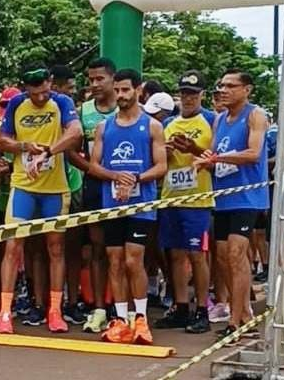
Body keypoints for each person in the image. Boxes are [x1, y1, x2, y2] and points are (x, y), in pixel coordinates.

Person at [0, 64, 82, 335]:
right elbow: (2, 139)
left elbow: (76, 132)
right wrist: (24, 146)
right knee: (13, 247)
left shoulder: (62, 102)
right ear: (26, 88)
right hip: (23, 186)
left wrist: (49, 152)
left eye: (45, 91)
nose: (41, 98)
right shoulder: (18, 104)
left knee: (55, 248)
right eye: (35, 94)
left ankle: (54, 310)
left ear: (51, 83)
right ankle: (5, 312)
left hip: (55, 188)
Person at [88, 68, 167, 345]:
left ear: (138, 90)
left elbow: (161, 166)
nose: (121, 95)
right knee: (115, 261)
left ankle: (141, 319)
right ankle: (120, 320)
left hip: (141, 204)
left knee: (134, 259)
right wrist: (114, 176)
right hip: (112, 204)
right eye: (118, 90)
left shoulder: (152, 126)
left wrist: (136, 178)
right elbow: (94, 165)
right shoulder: (104, 127)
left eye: (126, 90)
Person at [195, 69, 269, 341]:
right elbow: (215, 156)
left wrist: (215, 160)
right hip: (223, 197)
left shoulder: (255, 115)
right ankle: (245, 314)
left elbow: (253, 153)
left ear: (246, 89)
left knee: (237, 256)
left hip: (247, 197)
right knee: (225, 258)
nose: (224, 90)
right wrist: (203, 160)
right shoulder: (219, 120)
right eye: (221, 85)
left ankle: (236, 322)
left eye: (230, 86)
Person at [155, 71, 214, 334]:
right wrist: (164, 152)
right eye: (184, 93)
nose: (188, 98)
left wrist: (193, 149)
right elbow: (156, 159)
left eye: (193, 93)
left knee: (197, 255)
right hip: (170, 197)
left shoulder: (211, 119)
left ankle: (202, 309)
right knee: (175, 254)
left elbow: (218, 158)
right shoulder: (168, 123)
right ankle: (180, 307)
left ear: (202, 94)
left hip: (198, 200)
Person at [78, 57, 117, 334]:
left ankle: (122, 307)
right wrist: (92, 169)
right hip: (94, 186)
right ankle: (99, 308)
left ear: (113, 79)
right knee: (96, 248)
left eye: (100, 79)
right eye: (90, 80)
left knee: (123, 251)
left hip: (126, 187)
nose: (94, 84)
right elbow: (73, 149)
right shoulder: (84, 111)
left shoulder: (126, 110)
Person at [50, 64, 85, 325]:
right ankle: (45, 303)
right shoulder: (30, 107)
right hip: (37, 187)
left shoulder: (70, 109)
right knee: (39, 251)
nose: (71, 93)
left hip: (71, 185)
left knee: (70, 249)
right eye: (69, 88)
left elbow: (76, 137)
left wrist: (48, 152)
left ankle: (70, 302)